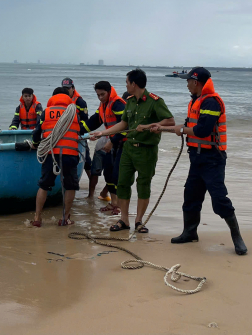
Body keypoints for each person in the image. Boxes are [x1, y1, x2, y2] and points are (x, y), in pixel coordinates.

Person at [151, 67, 247, 255]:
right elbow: (188, 127)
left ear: (196, 82)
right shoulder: (196, 101)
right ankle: (190, 232)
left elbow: (202, 130)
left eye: (188, 81)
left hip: (213, 159)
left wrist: (181, 130)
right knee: (191, 196)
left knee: (219, 200)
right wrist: (161, 128)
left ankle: (237, 237)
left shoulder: (211, 102)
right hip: (196, 157)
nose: (186, 85)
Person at [89, 69, 175, 233]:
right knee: (122, 184)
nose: (126, 85)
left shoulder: (155, 101)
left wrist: (149, 126)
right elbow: (123, 124)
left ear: (134, 84)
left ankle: (139, 221)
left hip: (146, 151)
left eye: (127, 82)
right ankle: (124, 220)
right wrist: (103, 133)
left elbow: (170, 121)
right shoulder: (129, 101)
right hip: (128, 150)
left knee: (143, 185)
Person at [30, 87, 81, 227]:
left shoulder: (46, 112)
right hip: (70, 154)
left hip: (50, 154)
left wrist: (35, 144)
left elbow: (36, 132)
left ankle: (37, 218)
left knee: (44, 185)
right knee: (70, 186)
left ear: (53, 97)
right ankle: (65, 218)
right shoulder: (74, 112)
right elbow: (80, 130)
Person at [86, 81, 127, 212]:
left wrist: (112, 141)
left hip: (123, 143)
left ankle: (120, 205)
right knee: (108, 173)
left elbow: (126, 127)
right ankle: (114, 203)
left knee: (117, 175)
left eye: (102, 94)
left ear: (109, 92)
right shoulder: (104, 104)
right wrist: (79, 130)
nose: (100, 97)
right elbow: (94, 121)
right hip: (112, 141)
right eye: (98, 95)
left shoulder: (117, 103)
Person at [61, 77, 93, 192]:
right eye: (64, 88)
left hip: (78, 135)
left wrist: (78, 130)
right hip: (64, 137)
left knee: (87, 162)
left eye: (68, 88)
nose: (66, 90)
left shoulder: (80, 102)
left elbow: (85, 120)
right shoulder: (61, 100)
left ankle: (92, 189)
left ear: (73, 88)